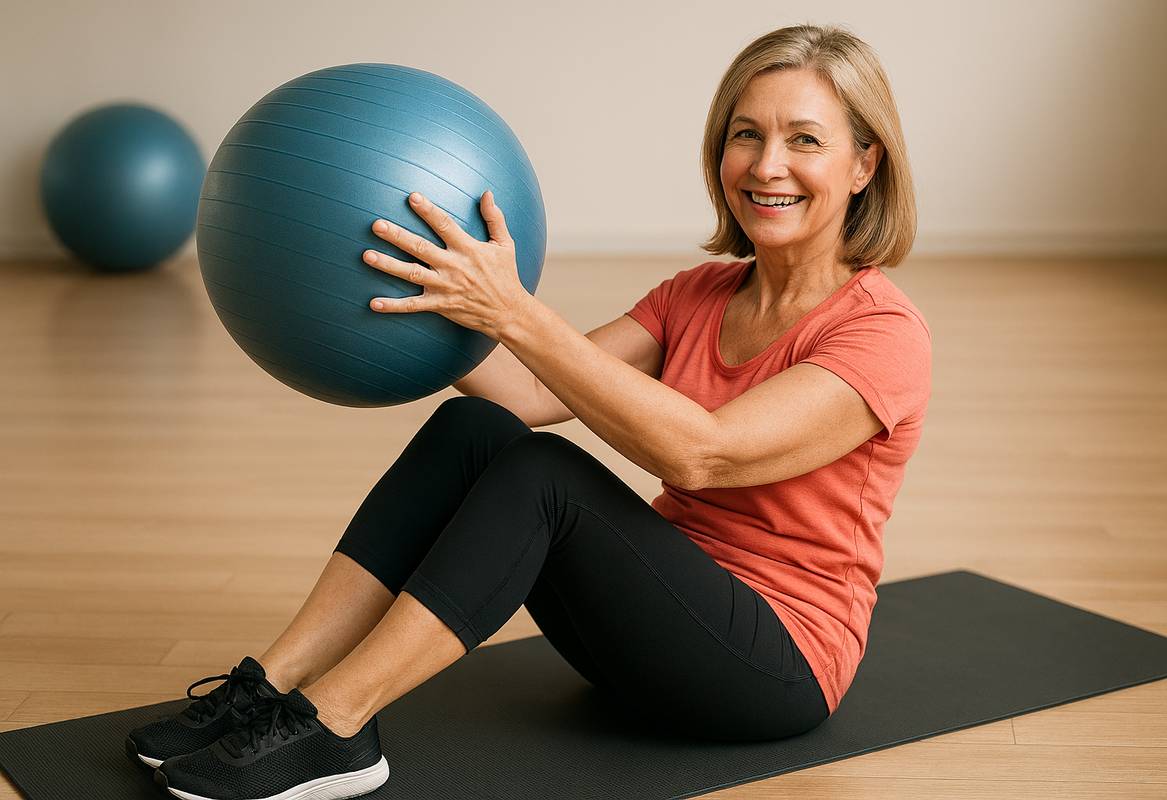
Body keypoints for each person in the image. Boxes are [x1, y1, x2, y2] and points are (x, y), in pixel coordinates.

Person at [131, 22, 930, 800]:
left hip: (773, 670)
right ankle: (273, 684)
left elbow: (704, 454)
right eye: (746, 135)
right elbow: (529, 393)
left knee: (547, 475)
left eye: (805, 140)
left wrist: (511, 309)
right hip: (652, 628)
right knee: (477, 430)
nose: (767, 165)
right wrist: (431, 289)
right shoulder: (698, 294)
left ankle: (338, 725)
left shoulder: (880, 334)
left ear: (865, 164)